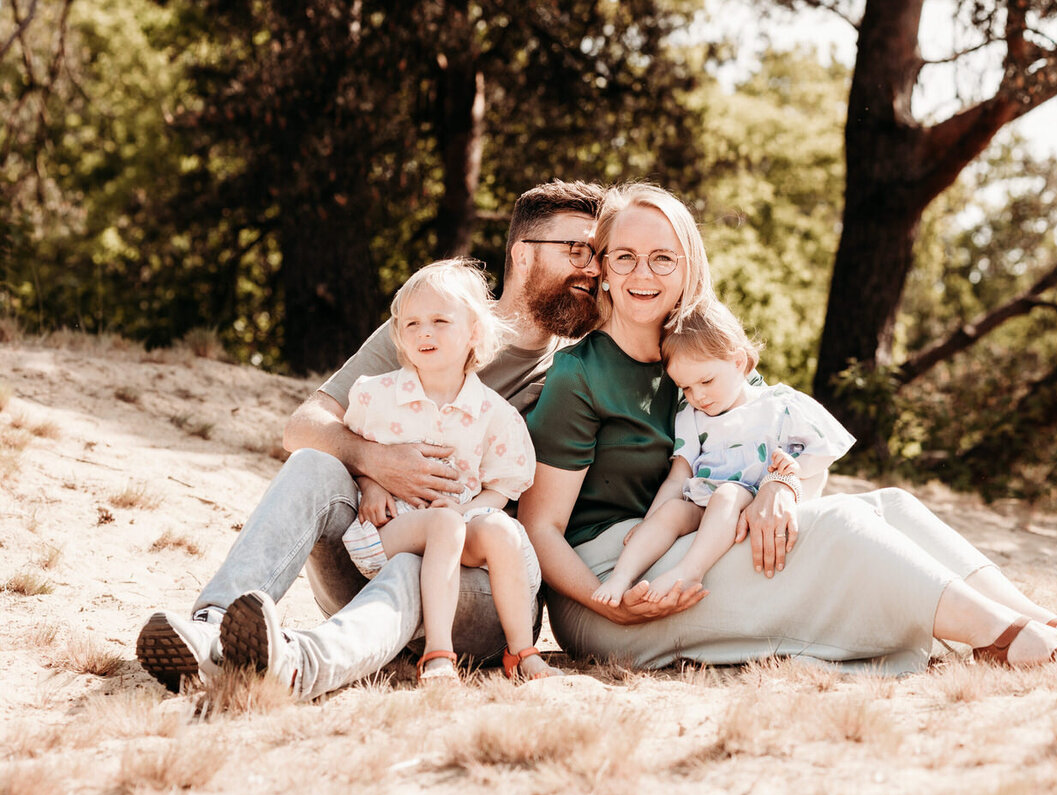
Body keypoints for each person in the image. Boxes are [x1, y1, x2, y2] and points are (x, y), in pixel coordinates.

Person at [518, 182, 1057, 675]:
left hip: (701, 540)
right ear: (602, 266)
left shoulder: (706, 348)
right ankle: (1006, 642)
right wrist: (605, 598)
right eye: (624, 257)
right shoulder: (581, 373)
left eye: (663, 258)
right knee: (842, 529)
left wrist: (783, 488)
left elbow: (780, 442)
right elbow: (540, 527)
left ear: (689, 267)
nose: (642, 275)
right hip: (608, 584)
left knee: (893, 505)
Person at [136, 180, 604, 699]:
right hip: (371, 548)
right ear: (522, 252)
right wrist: (373, 462)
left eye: (600, 255)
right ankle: (212, 632)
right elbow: (301, 427)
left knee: (431, 546)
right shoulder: (427, 323)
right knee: (315, 464)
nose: (593, 267)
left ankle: (297, 667)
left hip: (481, 593)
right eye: (577, 249)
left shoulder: (576, 372)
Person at [313, 258, 555, 682]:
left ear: (474, 333)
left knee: (498, 529)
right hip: (390, 532)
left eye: (440, 320)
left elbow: (501, 488)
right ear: (400, 337)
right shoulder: (377, 397)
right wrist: (370, 485)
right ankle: (439, 654)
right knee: (443, 523)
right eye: (412, 324)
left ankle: (523, 654)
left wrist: (468, 512)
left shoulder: (492, 414)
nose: (424, 332)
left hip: (458, 528)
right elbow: (354, 453)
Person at [592, 299, 854, 606]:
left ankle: (690, 570)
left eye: (706, 381)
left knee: (728, 494)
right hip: (703, 503)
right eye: (685, 388)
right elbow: (678, 480)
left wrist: (795, 466)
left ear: (738, 362)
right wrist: (648, 522)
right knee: (672, 511)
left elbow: (827, 448)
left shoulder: (779, 403)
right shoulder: (691, 417)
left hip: (749, 499)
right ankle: (621, 576)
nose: (698, 396)